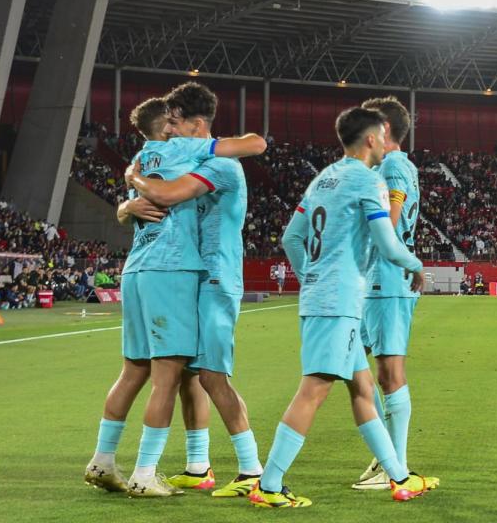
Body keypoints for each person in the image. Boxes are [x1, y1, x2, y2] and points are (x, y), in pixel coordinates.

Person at [84, 90, 266, 498]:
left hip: (214, 277)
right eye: (165, 124)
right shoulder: (185, 158)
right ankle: (198, 465)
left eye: (175, 122)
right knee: (184, 376)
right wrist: (127, 205)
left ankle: (252, 468)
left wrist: (132, 183)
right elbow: (159, 191)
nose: (169, 129)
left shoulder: (218, 163)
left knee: (211, 374)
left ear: (195, 127)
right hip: (181, 275)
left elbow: (165, 193)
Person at [251, 107, 433, 508]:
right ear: (371, 139)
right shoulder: (369, 182)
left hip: (330, 297)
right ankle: (269, 484)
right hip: (338, 300)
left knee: (363, 387)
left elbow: (290, 239)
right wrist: (416, 265)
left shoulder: (323, 178)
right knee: (314, 390)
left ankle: (400, 478)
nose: (387, 142)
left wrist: (310, 275)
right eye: (382, 136)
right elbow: (387, 243)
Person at [352, 96, 436, 491]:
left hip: (387, 282)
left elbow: (390, 221)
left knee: (389, 374)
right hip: (377, 281)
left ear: (384, 130)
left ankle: (395, 466)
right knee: (354, 367)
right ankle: (386, 456)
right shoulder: (389, 167)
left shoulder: (393, 165)